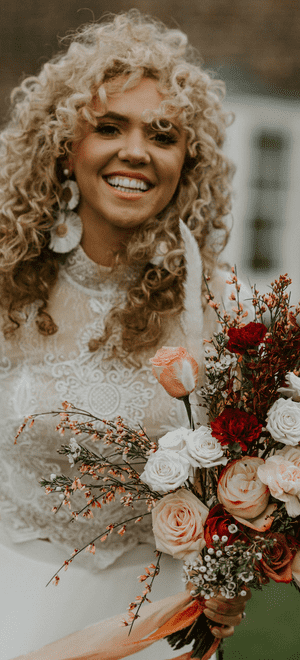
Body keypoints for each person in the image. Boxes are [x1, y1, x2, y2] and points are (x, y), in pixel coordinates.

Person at [0, 10, 250, 660]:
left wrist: (235, 569)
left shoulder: (221, 306)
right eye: (109, 127)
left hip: (158, 618)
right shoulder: (7, 285)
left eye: (162, 134)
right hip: (16, 598)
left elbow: (256, 468)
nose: (136, 150)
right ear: (64, 147)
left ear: (185, 163)